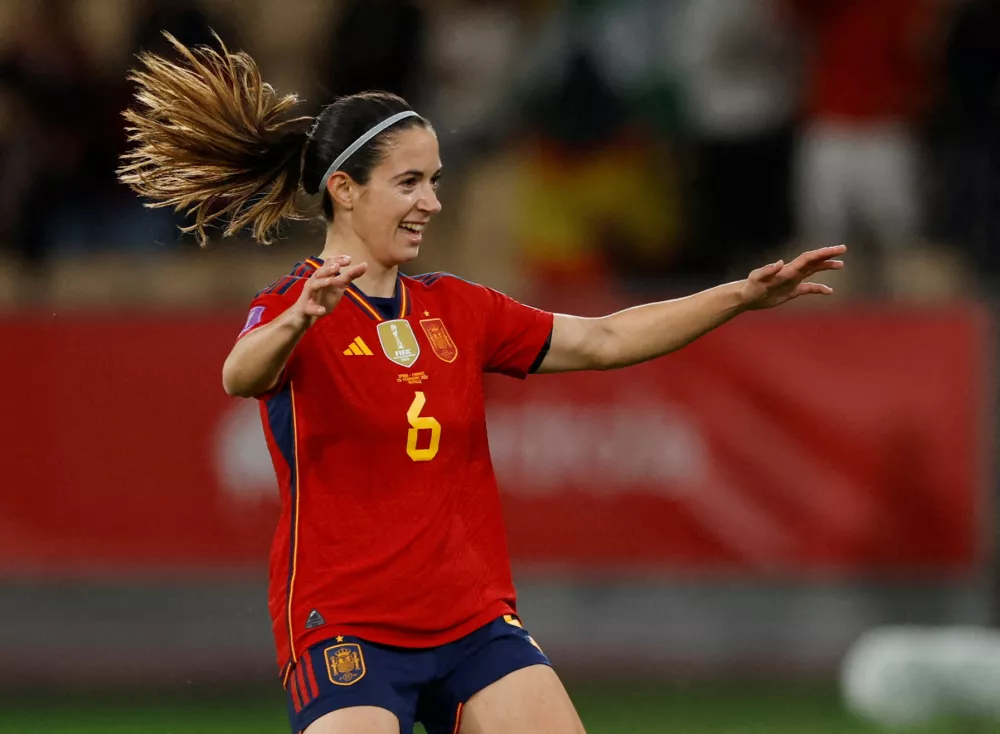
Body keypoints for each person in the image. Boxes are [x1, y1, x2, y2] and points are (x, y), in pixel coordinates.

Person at [118, 33, 845, 734]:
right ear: (343, 189)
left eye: (434, 180)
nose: (431, 201)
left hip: (472, 622)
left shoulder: (458, 307)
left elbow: (603, 338)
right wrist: (300, 320)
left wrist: (740, 297)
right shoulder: (294, 304)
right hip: (346, 625)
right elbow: (240, 374)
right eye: (408, 182)